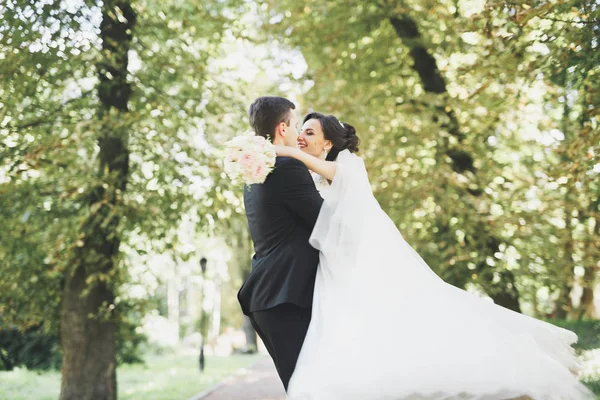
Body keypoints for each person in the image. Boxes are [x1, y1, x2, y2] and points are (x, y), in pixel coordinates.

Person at [276, 112, 593, 399]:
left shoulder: (346, 167)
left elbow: (325, 173)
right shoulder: (314, 176)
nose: (301, 137)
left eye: (309, 132)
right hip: (334, 269)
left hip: (359, 268)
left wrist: (282, 150)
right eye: (300, 131)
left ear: (328, 142)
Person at [236, 97, 323, 391]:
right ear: (282, 128)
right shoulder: (287, 167)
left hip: (271, 297)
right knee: (311, 388)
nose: (299, 134)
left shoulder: (255, 175)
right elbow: (326, 223)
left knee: (307, 387)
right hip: (284, 297)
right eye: (297, 126)